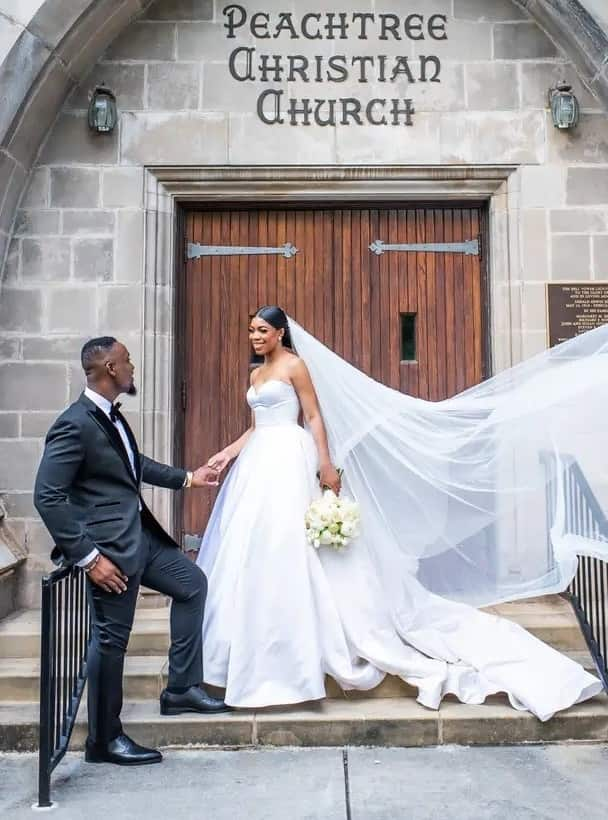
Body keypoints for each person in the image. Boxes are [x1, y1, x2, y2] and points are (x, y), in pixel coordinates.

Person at [197, 306, 604, 719]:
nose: (255, 337)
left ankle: (310, 649)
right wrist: (227, 454)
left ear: (281, 333)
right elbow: (257, 425)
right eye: (250, 331)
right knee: (257, 547)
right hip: (259, 464)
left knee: (294, 543)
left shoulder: (295, 366)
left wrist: (324, 464)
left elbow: (314, 416)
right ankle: (253, 647)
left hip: (290, 458)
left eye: (262, 330)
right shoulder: (255, 375)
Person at [34, 337, 228, 768]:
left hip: (141, 539)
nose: (133, 367)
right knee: (110, 641)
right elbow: (47, 496)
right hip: (110, 553)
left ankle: (180, 688)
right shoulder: (74, 423)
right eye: (127, 361)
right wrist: (88, 557)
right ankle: (104, 739)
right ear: (108, 368)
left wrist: (189, 479)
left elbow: (132, 464)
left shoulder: (109, 417)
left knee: (192, 584)